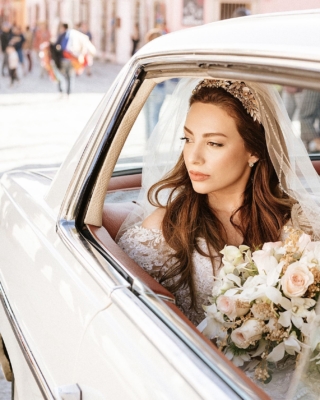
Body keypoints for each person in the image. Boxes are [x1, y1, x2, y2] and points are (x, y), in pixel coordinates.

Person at [116, 78, 320, 397]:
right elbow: (134, 338)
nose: (193, 157)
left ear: (253, 150)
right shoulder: (163, 230)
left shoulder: (300, 222)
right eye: (188, 138)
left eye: (213, 143)